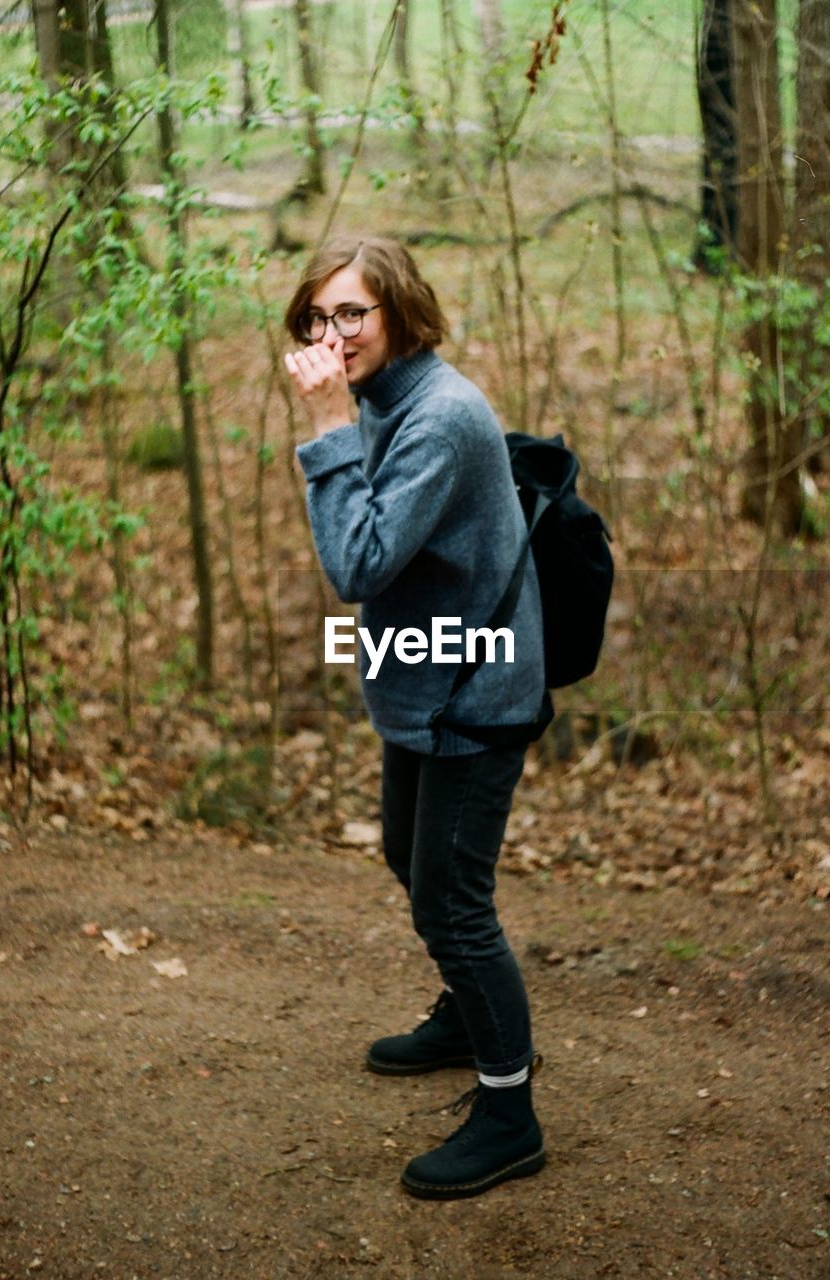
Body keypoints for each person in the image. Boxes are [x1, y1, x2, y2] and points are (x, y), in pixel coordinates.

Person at [284, 235, 549, 1201]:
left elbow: (356, 566)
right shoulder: (387, 401)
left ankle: (509, 1110)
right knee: (409, 856)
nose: (332, 333)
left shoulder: (436, 417)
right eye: (317, 317)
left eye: (352, 313)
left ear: (399, 312)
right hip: (424, 683)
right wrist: (341, 419)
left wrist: (321, 426)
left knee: (452, 900)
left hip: (476, 694)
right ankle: (460, 1015)